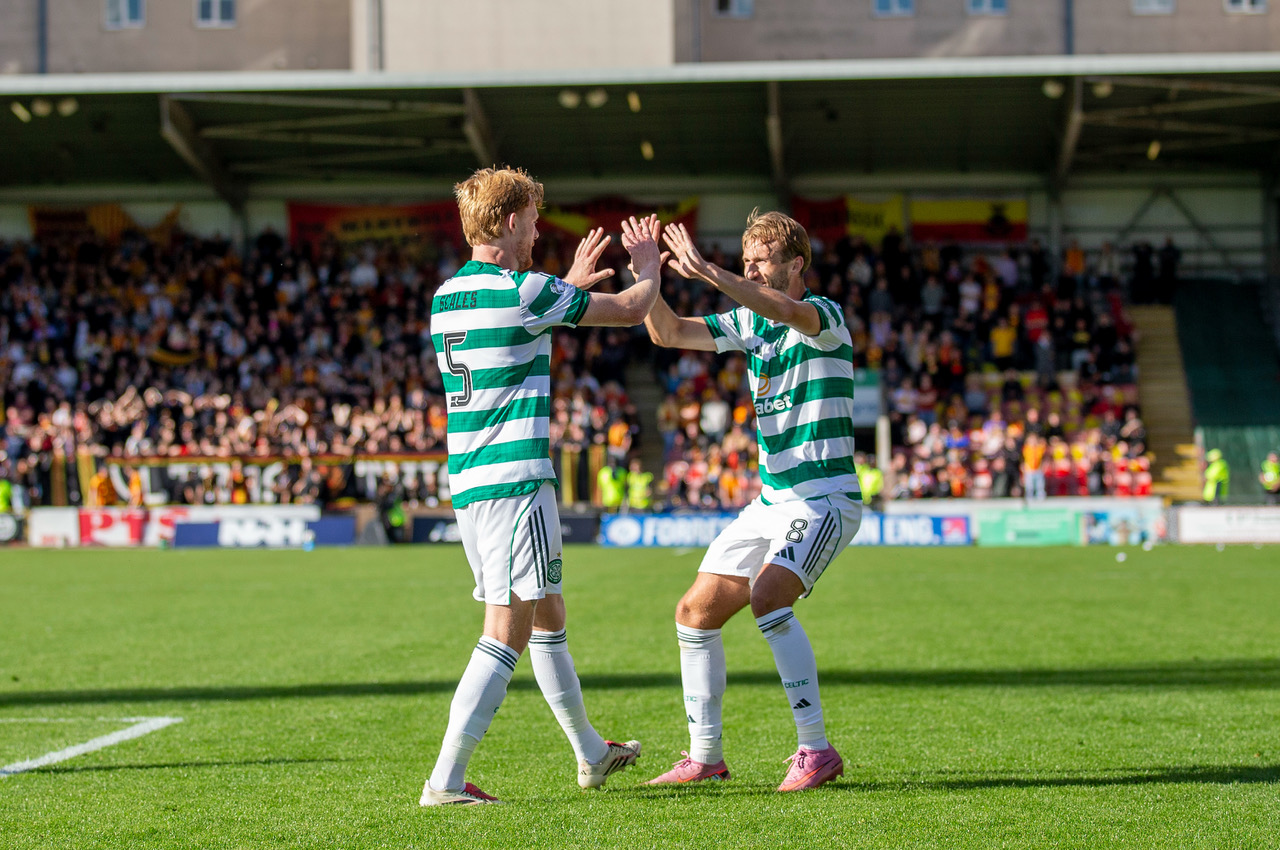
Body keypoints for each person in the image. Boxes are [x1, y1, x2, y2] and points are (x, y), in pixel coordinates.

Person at [420, 167, 661, 806]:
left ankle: (590, 753)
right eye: (530, 220)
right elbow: (630, 312)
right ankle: (445, 781)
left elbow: (524, 321)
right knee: (506, 626)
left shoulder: (446, 296)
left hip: (472, 479)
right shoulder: (528, 291)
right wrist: (648, 269)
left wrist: (563, 288)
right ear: (505, 222)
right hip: (518, 479)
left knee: (547, 608)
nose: (535, 231)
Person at [642, 211, 862, 793]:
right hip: (772, 502)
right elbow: (669, 333)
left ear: (796, 265)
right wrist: (647, 279)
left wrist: (709, 271)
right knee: (695, 613)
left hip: (824, 498)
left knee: (768, 599)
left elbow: (785, 311)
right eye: (746, 261)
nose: (751, 270)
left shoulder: (827, 318)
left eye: (760, 261)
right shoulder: (748, 320)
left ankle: (816, 750)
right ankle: (704, 756)